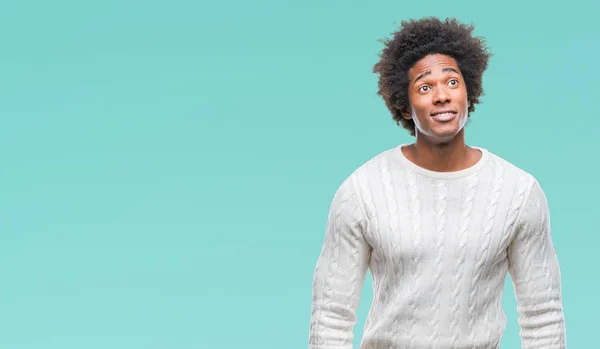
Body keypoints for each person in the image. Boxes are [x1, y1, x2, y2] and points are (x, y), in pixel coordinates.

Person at [308, 17, 566, 349]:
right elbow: (331, 315)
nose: (441, 96)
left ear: (469, 93)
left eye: (452, 82)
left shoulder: (518, 192)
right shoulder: (362, 191)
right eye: (425, 87)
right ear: (404, 105)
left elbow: (542, 316)